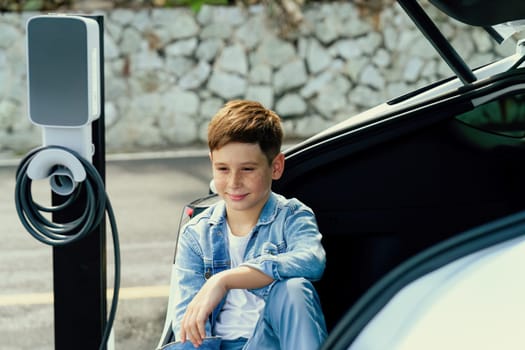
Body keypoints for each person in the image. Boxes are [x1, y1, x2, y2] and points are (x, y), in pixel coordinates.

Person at [169, 100, 327, 350]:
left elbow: (311, 261)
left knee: (294, 288)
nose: (233, 182)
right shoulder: (197, 234)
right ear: (211, 162)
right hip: (217, 346)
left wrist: (223, 280)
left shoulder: (292, 216)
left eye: (247, 169)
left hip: (270, 342)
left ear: (276, 167)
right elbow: (187, 325)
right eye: (222, 168)